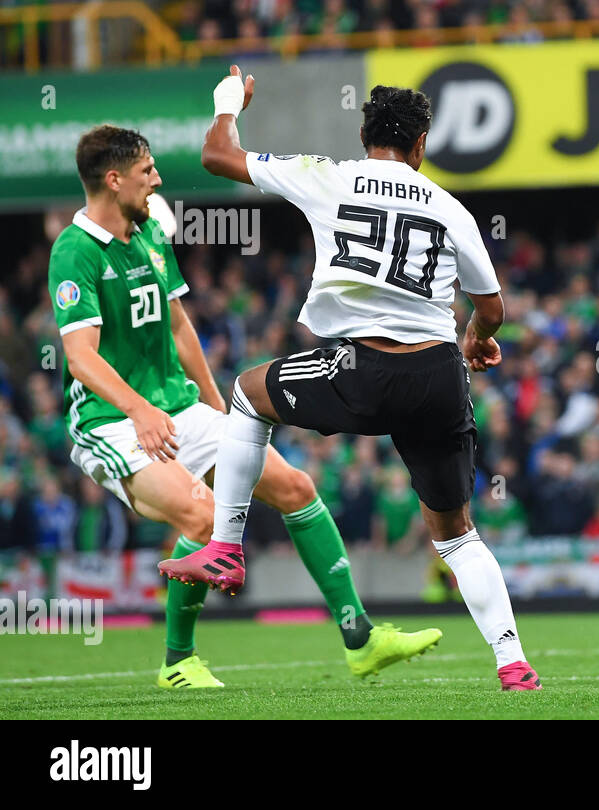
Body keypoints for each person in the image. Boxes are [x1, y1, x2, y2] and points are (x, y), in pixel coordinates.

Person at [173, 65, 539, 690]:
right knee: (456, 534)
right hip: (438, 375)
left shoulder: (329, 176)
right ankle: (513, 662)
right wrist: (478, 340)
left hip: (366, 369)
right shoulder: (452, 207)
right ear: (420, 146)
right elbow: (493, 306)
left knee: (247, 394)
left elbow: (217, 155)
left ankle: (228, 547)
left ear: (365, 138)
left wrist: (228, 102)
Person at [49, 124, 440, 689]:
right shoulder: (74, 252)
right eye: (146, 171)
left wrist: (220, 412)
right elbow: (81, 358)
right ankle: (177, 660)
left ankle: (361, 638)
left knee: (296, 488)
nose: (157, 178)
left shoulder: (150, 230)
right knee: (204, 515)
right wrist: (138, 410)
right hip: (111, 423)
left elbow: (180, 327)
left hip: (178, 406)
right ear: (113, 180)